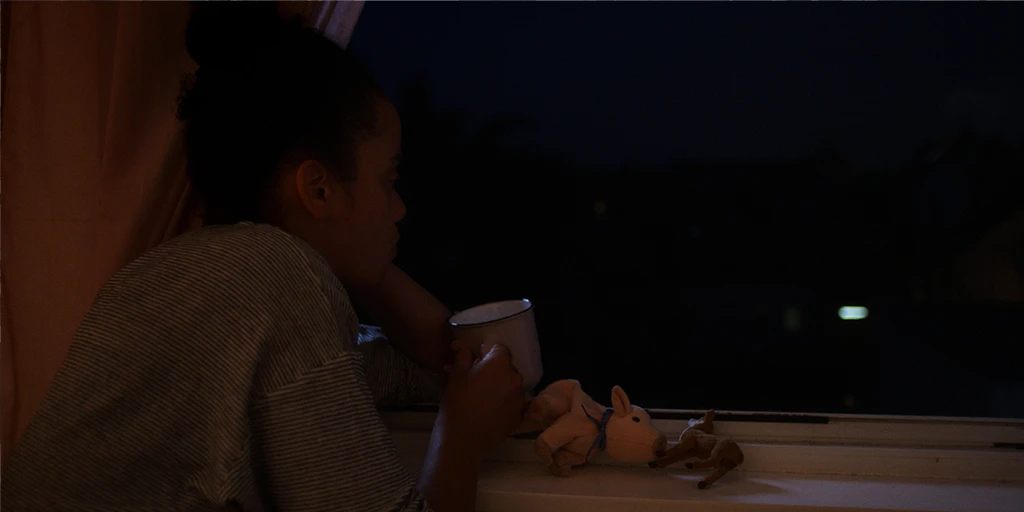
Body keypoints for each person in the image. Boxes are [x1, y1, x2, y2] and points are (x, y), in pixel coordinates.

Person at [1, 3, 526, 511]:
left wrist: (361, 259)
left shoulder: (214, 279)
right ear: (318, 190)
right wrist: (460, 437)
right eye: (387, 180)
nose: (400, 207)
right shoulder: (277, 277)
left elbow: (443, 364)